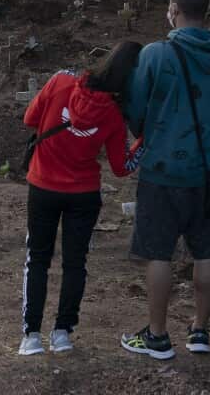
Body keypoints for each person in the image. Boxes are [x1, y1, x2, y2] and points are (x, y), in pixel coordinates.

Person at [121, 0, 210, 360]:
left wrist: (152, 131)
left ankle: (156, 337)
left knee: (159, 254)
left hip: (162, 170)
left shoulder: (156, 55)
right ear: (205, 13)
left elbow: (135, 109)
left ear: (173, 9)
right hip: (209, 171)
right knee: (206, 253)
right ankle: (200, 332)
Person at [18, 42, 144, 356]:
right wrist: (145, 141)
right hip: (83, 194)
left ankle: (31, 335)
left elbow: (29, 119)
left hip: (43, 186)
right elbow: (121, 167)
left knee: (37, 258)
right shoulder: (115, 115)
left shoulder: (60, 82)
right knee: (75, 263)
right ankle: (62, 333)